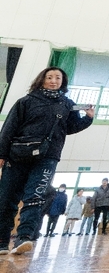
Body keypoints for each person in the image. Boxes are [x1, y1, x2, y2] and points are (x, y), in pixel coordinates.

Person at [0, 66, 95, 255]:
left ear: (63, 81)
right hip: (17, 155)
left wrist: (88, 119)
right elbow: (9, 127)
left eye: (58, 78)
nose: (53, 81)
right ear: (42, 79)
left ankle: (24, 238)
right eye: (49, 77)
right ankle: (2, 241)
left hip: (48, 157)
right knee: (6, 199)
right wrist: (1, 154)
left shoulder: (67, 104)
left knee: (35, 197)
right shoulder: (26, 101)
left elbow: (70, 127)